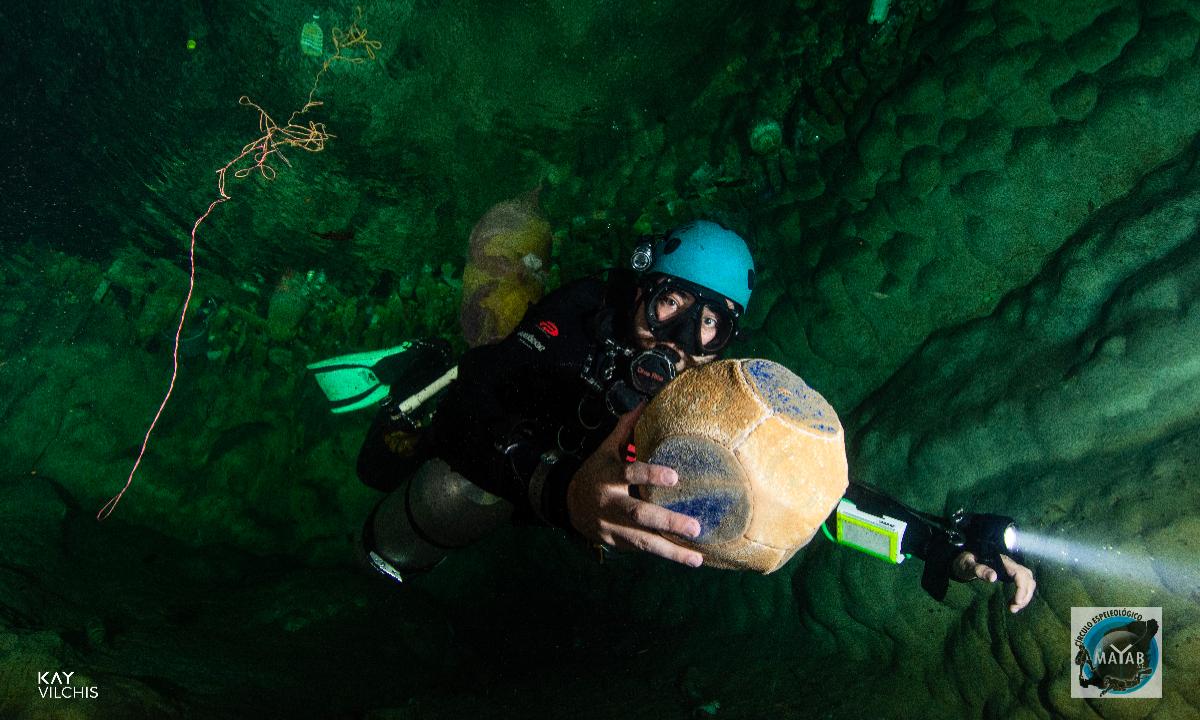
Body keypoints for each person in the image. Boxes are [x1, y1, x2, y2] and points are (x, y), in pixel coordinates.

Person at [349, 220, 1037, 612]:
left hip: (571, 487)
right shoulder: (582, 319)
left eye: (711, 324)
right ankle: (420, 370)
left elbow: (806, 495)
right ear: (640, 290)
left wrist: (933, 544)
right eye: (670, 305)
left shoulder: (708, 394)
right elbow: (477, 400)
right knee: (437, 488)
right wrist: (557, 491)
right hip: (516, 451)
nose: (682, 339)